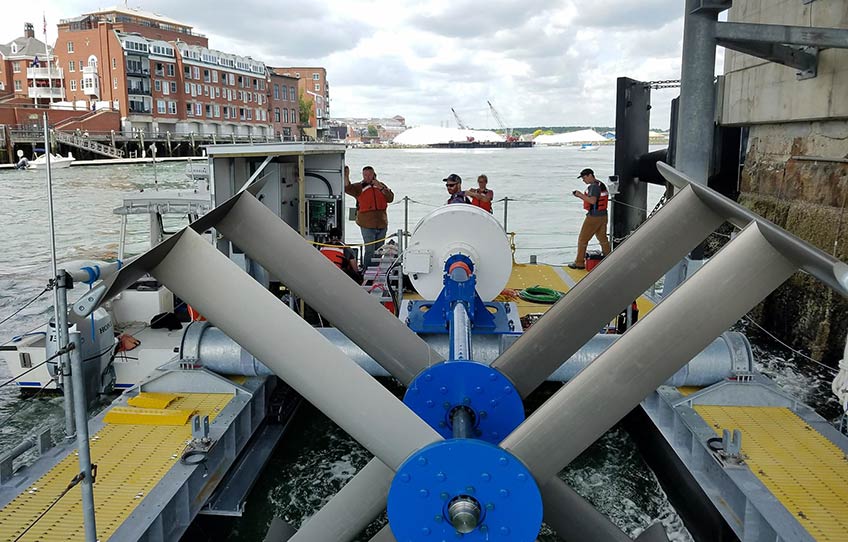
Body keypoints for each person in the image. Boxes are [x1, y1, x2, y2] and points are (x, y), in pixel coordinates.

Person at [345, 165, 394, 268]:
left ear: (374, 174)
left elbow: (390, 198)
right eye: (365, 175)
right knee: (369, 250)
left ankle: (376, 270)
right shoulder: (359, 187)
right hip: (366, 224)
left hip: (381, 223)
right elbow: (347, 188)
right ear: (363, 175)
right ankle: (367, 271)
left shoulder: (381, 186)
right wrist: (346, 175)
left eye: (369, 174)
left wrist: (380, 187)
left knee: (379, 250)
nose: (367, 177)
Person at [569, 168, 611, 269]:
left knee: (583, 239)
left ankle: (579, 263)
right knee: (602, 238)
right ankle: (610, 258)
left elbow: (592, 201)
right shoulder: (600, 184)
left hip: (594, 217)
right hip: (603, 216)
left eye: (584, 178)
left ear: (590, 175)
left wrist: (579, 195)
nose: (583, 180)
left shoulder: (594, 187)